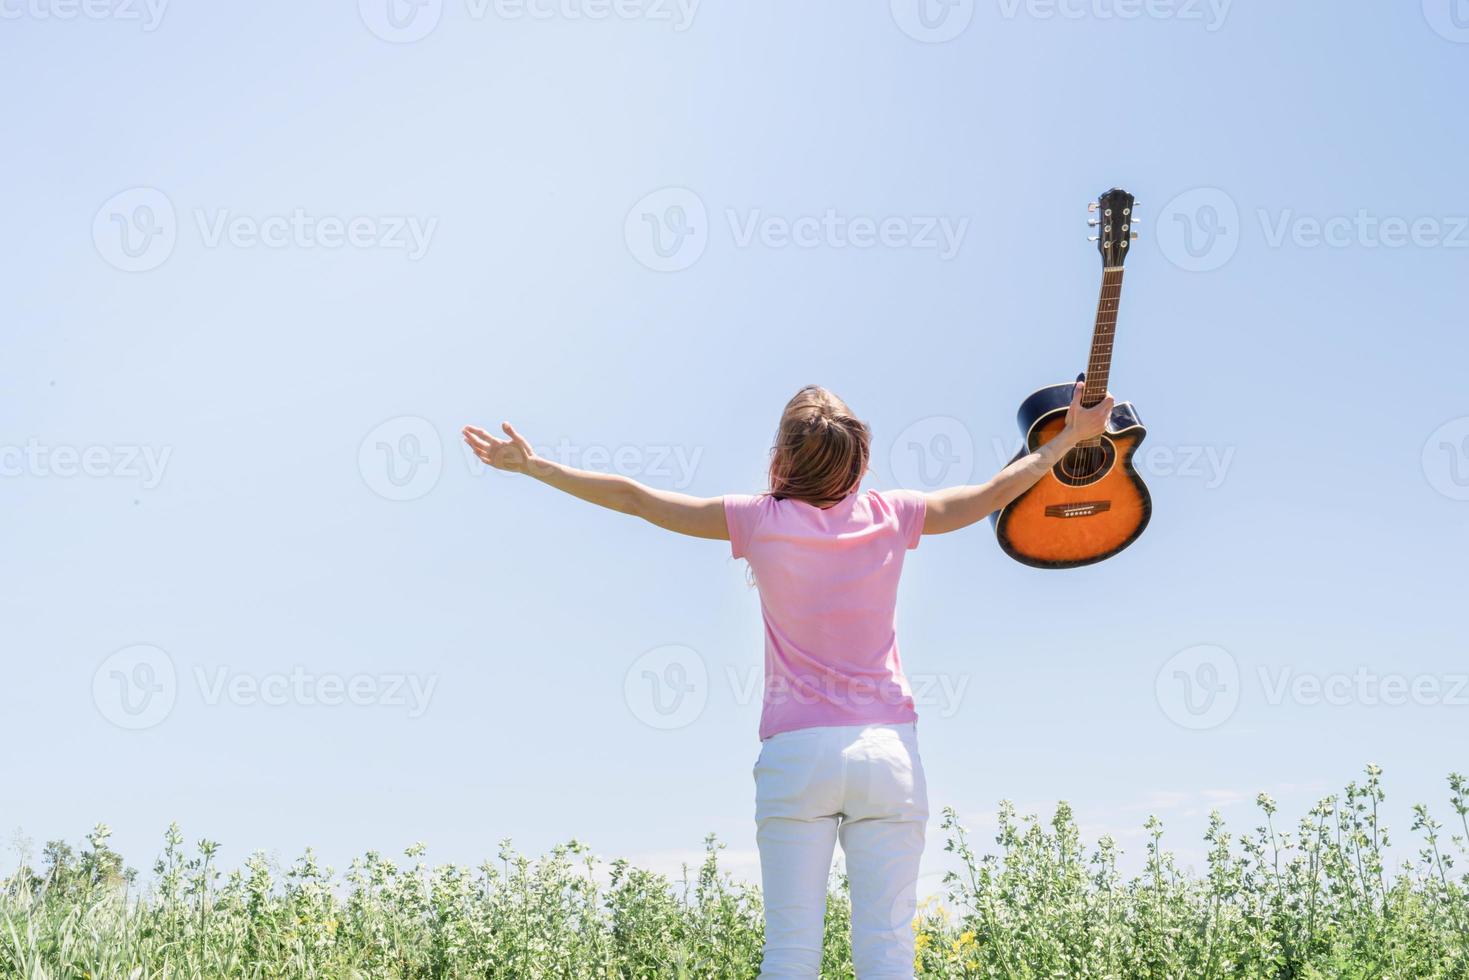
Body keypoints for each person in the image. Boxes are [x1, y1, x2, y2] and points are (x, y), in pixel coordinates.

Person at [462, 381, 1114, 979]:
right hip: (886, 751)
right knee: (886, 946)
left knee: (791, 948)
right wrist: (1066, 440)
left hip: (796, 756)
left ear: (784, 455)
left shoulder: (758, 521)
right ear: (858, 457)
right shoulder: (893, 514)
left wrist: (535, 466)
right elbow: (993, 494)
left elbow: (636, 499)